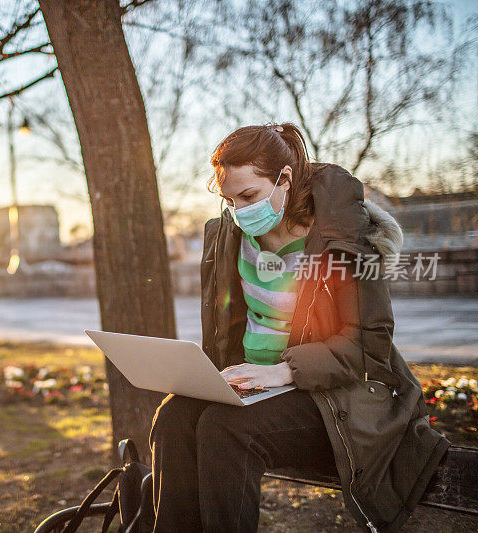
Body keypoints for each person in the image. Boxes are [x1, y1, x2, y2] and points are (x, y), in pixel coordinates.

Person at [149, 123, 449, 533]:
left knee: (225, 430)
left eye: (249, 196)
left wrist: (285, 371)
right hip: (259, 388)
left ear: (284, 179)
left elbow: (370, 342)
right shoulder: (229, 237)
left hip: (333, 396)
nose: (239, 210)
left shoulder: (340, 238)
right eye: (230, 199)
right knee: (173, 416)